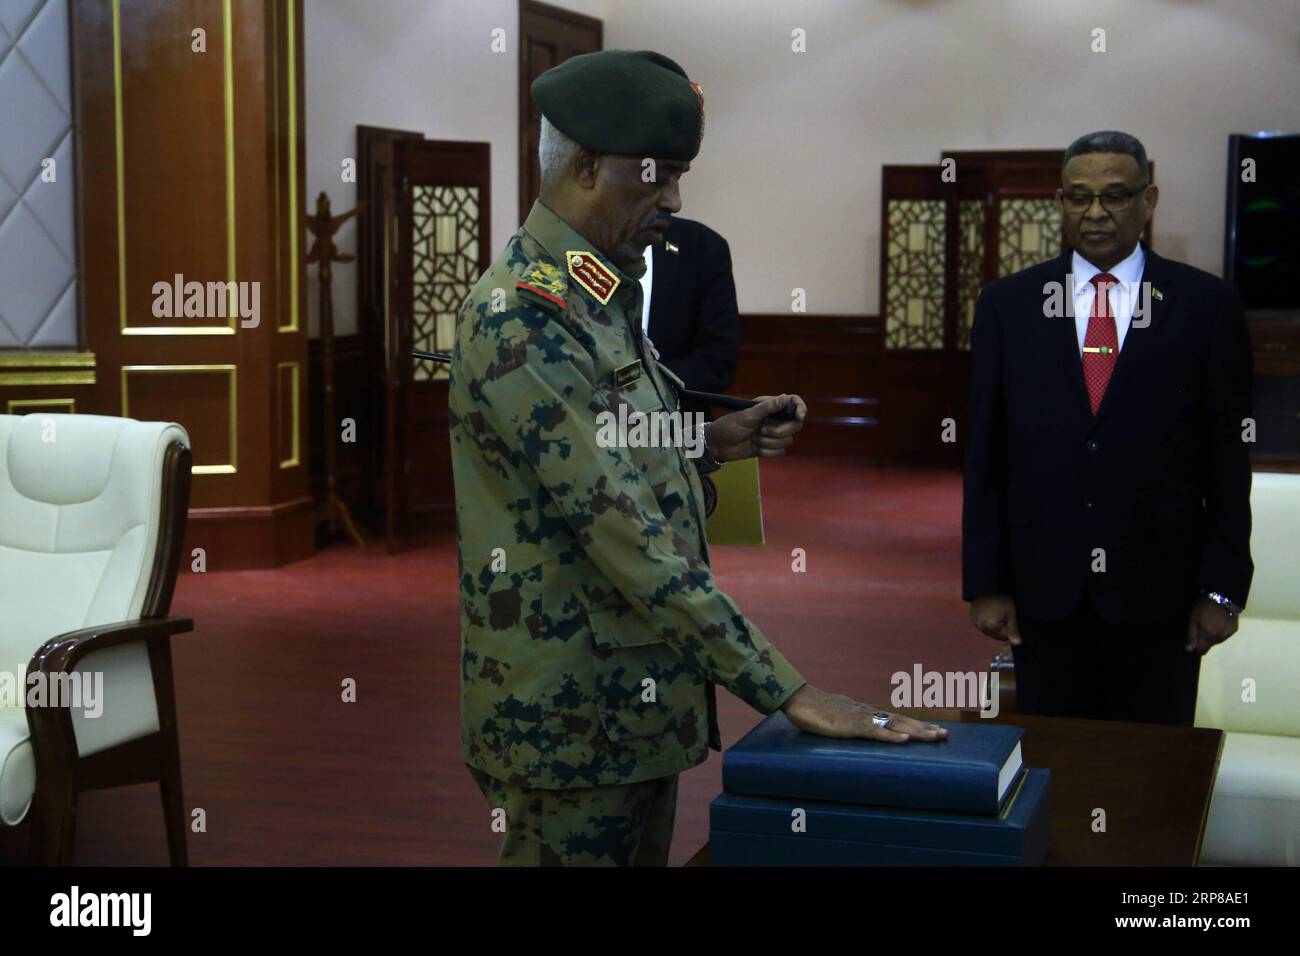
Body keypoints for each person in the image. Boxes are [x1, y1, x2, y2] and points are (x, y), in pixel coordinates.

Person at [449, 49, 946, 866]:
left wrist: (709, 442)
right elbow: (623, 533)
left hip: (632, 702)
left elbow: (611, 445)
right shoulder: (523, 317)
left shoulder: (596, 291)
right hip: (569, 715)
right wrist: (788, 691)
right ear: (582, 166)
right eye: (657, 177)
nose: (674, 201)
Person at [963, 130, 1254, 726]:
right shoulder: (1007, 306)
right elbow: (985, 457)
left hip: (1162, 595)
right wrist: (985, 581)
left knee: (1151, 782)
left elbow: (1229, 461)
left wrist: (1222, 589)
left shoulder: (1207, 306)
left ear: (1149, 201)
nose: (1095, 213)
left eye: (1115, 196)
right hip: (1047, 590)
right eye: (1078, 197)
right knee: (1053, 774)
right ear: (1060, 203)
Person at [639, 217, 741, 421]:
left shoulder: (702, 246)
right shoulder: (573, 240)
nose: (674, 201)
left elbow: (718, 361)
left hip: (678, 432)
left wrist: (637, 388)